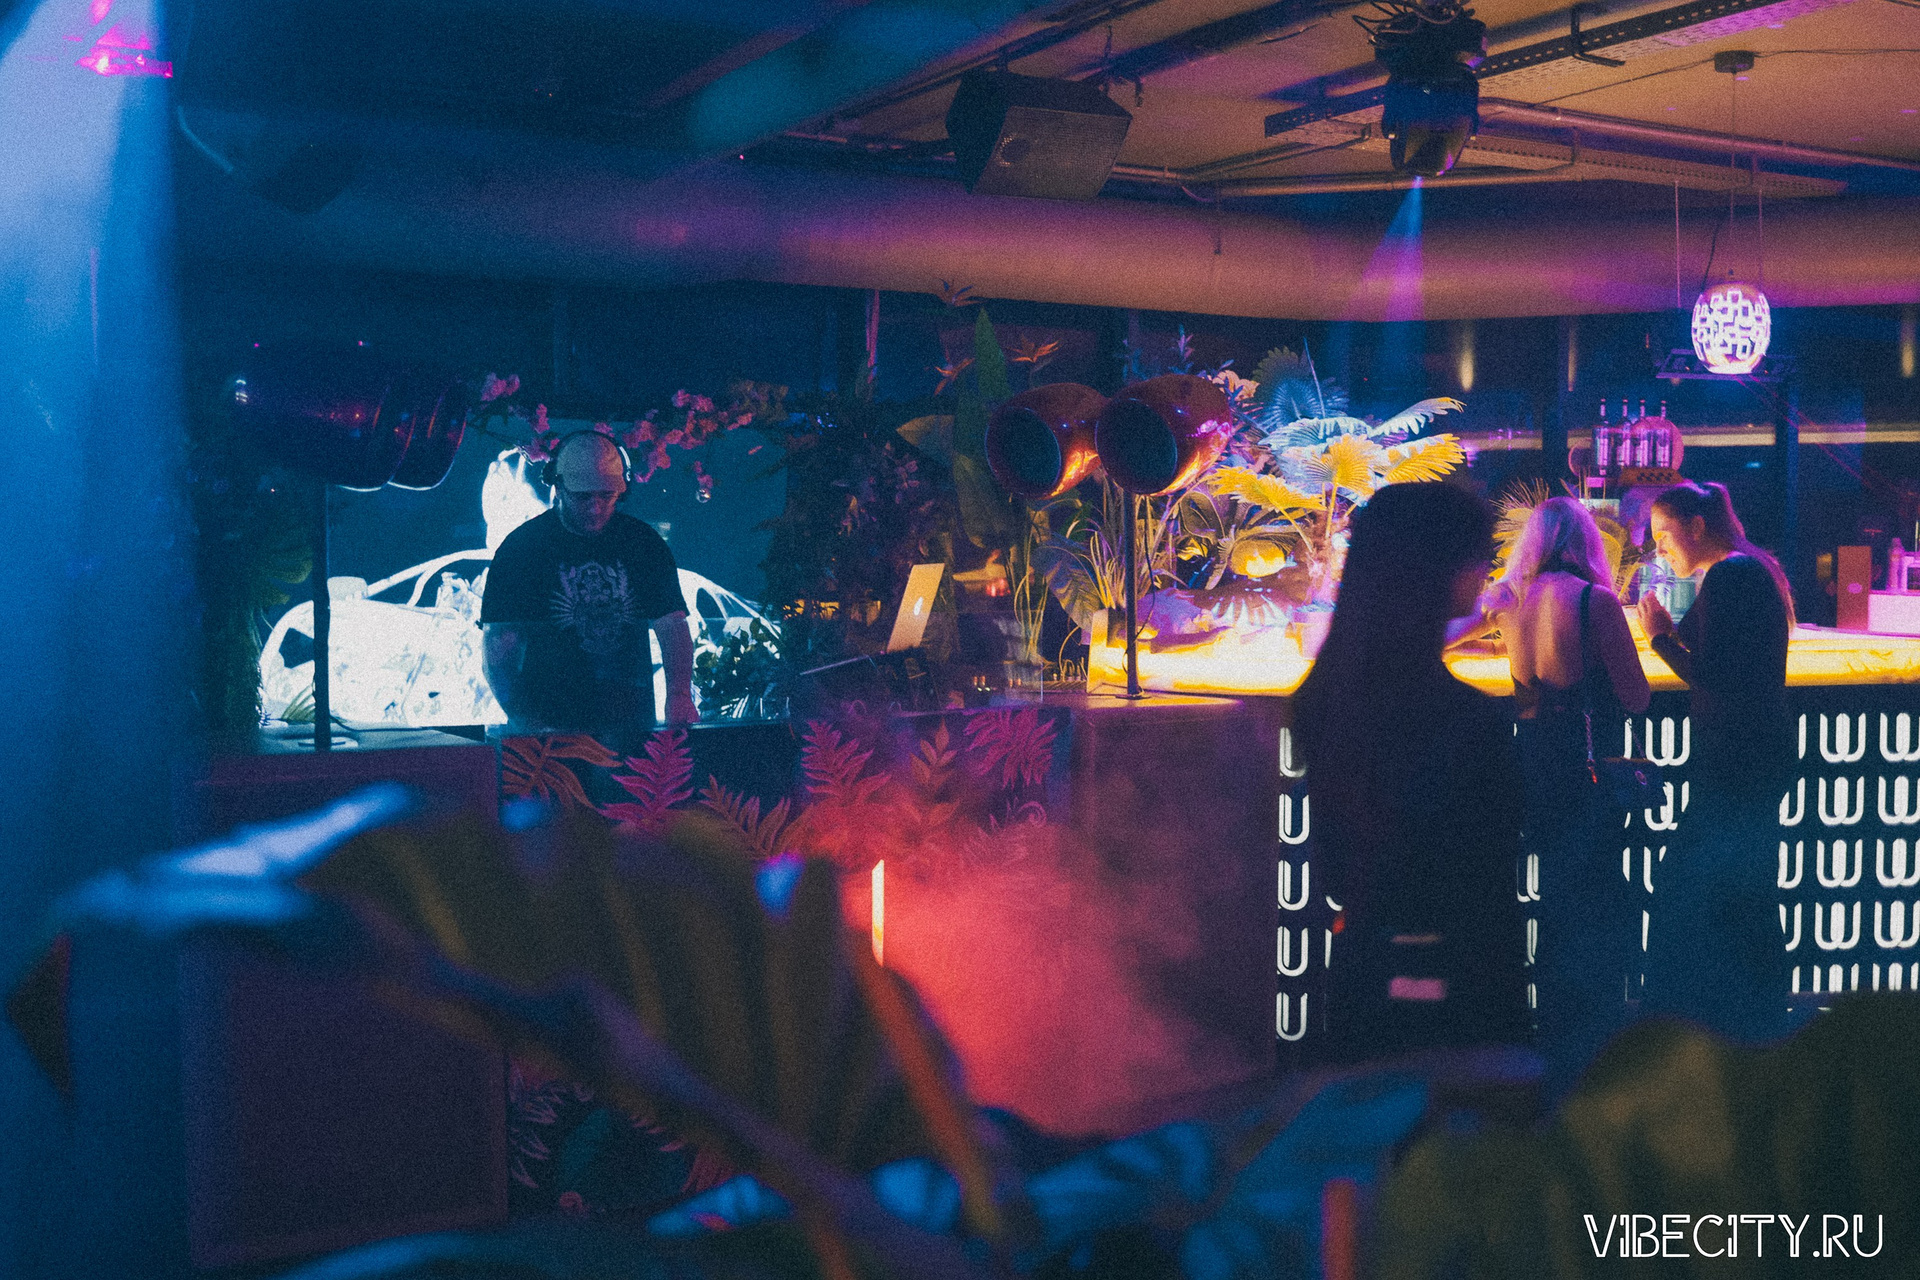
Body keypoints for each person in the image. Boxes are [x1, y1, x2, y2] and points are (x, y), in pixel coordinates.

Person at [1294, 483, 1528, 1060]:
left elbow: (1341, 863)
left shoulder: (1326, 694)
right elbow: (1481, 879)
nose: (1485, 570)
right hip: (1456, 983)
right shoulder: (1463, 716)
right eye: (1478, 555)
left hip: (1362, 965)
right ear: (1436, 570)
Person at [1484, 498, 1650, 1096]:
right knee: (1593, 903)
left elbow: (1449, 637)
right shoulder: (1593, 601)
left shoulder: (1509, 600)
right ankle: (1593, 1051)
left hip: (1531, 761)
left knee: (1552, 893)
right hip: (1586, 768)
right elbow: (1635, 696)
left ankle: (1549, 1041)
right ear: (1588, 542)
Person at [1634, 480, 1797, 1042]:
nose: (1658, 548)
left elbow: (1715, 675)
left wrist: (1658, 639)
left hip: (1737, 758)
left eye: (1663, 534)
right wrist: (1664, 627)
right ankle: (1749, 1017)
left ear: (1697, 527)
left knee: (1711, 887)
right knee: (1744, 887)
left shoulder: (1732, 576)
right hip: (1752, 756)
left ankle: (1711, 1021)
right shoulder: (1743, 573)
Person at [481, 431, 697, 741]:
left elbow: (672, 624)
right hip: (546, 722)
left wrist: (679, 694)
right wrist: (526, 721)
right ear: (558, 487)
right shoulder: (521, 550)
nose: (595, 508)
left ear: (621, 491)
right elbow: (499, 647)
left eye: (606, 496)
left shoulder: (643, 544)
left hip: (631, 720)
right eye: (583, 497)